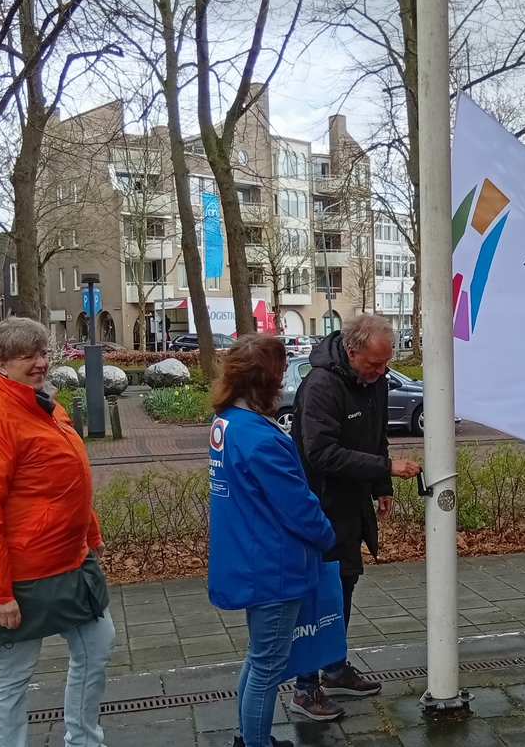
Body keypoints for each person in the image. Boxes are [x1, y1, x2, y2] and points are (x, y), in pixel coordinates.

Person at [0, 317, 114, 747]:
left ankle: (84, 740)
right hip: (20, 573)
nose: (41, 363)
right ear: (1, 362)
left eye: (44, 352)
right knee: (12, 674)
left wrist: (89, 533)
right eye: (29, 356)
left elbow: (65, 478)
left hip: (68, 561)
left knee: (97, 645)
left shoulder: (40, 401)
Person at [289, 315, 422, 721]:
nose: (382, 373)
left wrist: (382, 487)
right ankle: (305, 685)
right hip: (318, 508)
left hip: (351, 506)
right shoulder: (321, 387)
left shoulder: (375, 383)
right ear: (351, 351)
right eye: (375, 364)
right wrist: (386, 468)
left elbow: (375, 434)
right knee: (318, 596)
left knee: (345, 585)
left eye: (386, 364)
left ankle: (334, 667)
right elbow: (321, 454)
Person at [207, 334, 337, 747]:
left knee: (258, 656)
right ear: (264, 381)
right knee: (268, 665)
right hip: (274, 567)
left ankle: (248, 737)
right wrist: (327, 535)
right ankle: (255, 743)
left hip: (246, 556)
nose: (284, 383)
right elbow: (297, 506)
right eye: (280, 374)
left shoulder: (226, 424)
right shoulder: (262, 439)